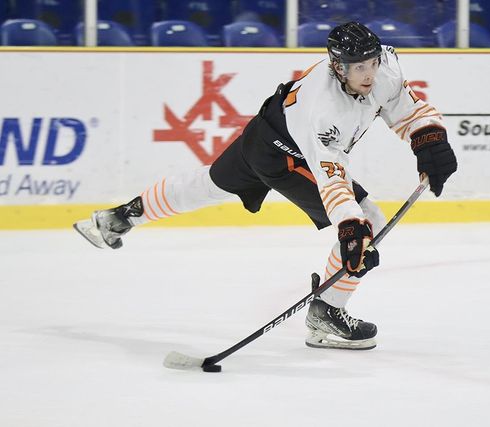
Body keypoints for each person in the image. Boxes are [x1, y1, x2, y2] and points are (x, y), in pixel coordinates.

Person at [74, 22, 457, 350]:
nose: (369, 74)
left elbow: (407, 109)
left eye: (372, 62)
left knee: (207, 183)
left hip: (262, 134)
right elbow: (331, 174)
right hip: (288, 155)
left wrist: (430, 140)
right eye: (358, 67)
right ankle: (326, 313)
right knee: (366, 222)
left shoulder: (383, 67)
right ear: (338, 67)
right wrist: (350, 227)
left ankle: (118, 218)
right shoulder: (323, 108)